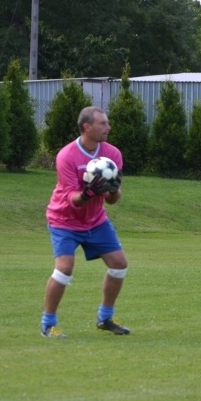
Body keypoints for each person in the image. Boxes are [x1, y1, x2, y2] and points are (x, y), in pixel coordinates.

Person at [41, 106, 130, 338]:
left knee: (119, 264)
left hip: (95, 220)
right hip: (64, 220)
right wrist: (90, 193)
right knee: (64, 268)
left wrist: (113, 190)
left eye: (107, 123)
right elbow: (73, 200)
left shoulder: (113, 154)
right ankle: (48, 324)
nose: (108, 127)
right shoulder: (67, 155)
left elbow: (112, 200)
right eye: (102, 124)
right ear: (86, 127)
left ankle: (105, 318)